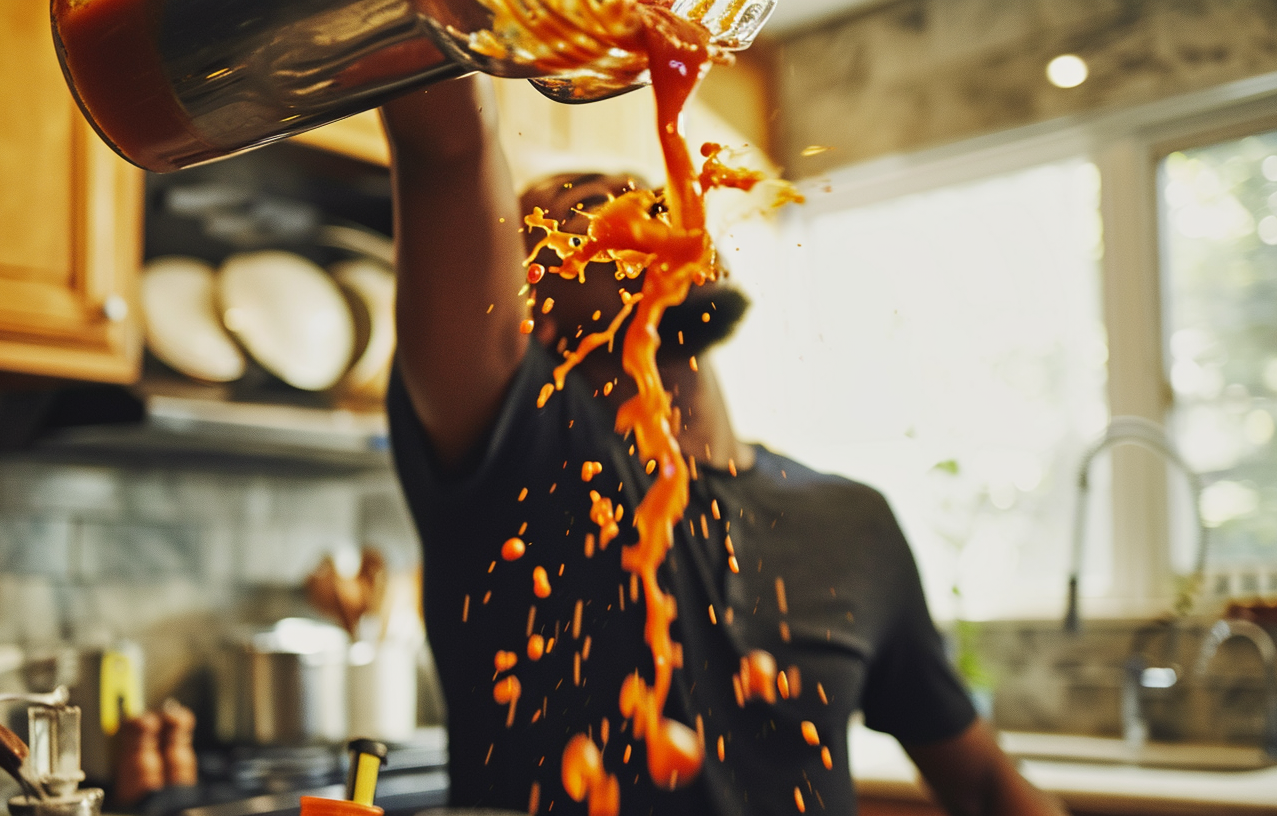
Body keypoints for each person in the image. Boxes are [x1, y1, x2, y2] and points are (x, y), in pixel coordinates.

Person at [379, 76, 1067, 816]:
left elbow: (984, 784)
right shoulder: (517, 456)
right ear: (527, 310)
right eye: (586, 212)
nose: (639, 207)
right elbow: (447, 149)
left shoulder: (854, 521)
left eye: (654, 201)